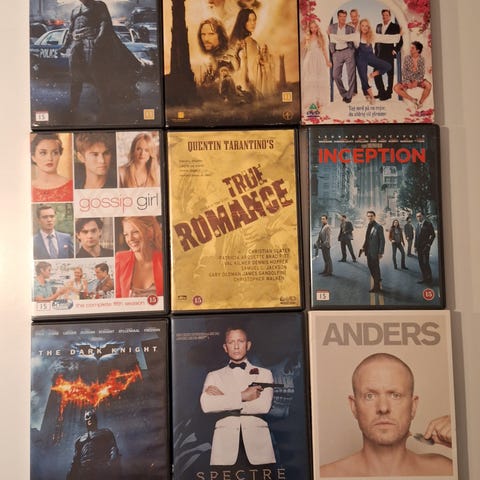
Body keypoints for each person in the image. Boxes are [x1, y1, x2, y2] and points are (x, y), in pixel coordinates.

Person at [319, 353, 453, 477]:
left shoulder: (446, 471)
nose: (383, 408)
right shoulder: (323, 476)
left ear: (413, 406)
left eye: (395, 395)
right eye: (369, 396)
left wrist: (462, 443)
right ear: (354, 407)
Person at [200, 327, 276, 466]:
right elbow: (207, 405)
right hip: (224, 449)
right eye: (231, 342)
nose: (236, 346)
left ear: (248, 345)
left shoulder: (264, 374)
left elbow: (263, 406)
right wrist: (243, 396)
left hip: (259, 447)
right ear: (225, 347)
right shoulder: (213, 376)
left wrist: (224, 399)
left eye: (240, 341)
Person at [61, 0, 139, 119]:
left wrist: (99, 39)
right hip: (76, 45)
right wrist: (65, 45)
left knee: (98, 77)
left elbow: (105, 23)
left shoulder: (99, 5)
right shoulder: (75, 10)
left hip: (91, 43)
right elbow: (71, 29)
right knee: (75, 78)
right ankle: (73, 107)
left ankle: (105, 109)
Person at [330, 18, 400, 104]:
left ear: (369, 27)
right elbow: (344, 38)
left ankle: (372, 74)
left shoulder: (372, 35)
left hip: (370, 56)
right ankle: (371, 97)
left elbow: (385, 38)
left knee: (388, 66)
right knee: (364, 79)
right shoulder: (356, 35)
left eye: (366, 26)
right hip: (360, 58)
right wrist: (331, 35)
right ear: (360, 26)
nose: (364, 28)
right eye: (363, 26)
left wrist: (398, 36)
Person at [115, 216, 164, 298]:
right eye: (126, 234)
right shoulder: (120, 259)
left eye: (135, 232)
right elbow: (117, 297)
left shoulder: (165, 260)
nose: (130, 239)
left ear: (150, 232)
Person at [67, 409, 121, 480]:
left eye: (91, 416)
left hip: (100, 468)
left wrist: (111, 463)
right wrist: (70, 475)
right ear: (85, 420)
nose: (89, 418)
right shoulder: (79, 440)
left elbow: (113, 448)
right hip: (84, 471)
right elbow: (75, 460)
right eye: (87, 417)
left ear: (95, 419)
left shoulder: (105, 433)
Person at [31, 133, 73, 202]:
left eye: (55, 153)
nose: (50, 158)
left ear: (59, 155)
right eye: (43, 153)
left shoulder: (71, 186)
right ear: (33, 157)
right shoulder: (28, 188)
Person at [229, 8, 262, 97]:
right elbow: (251, 69)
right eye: (249, 20)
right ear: (242, 22)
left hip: (240, 81)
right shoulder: (250, 42)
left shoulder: (235, 41)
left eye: (254, 20)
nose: (253, 23)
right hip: (246, 81)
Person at [301, 20, 331, 113]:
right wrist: (306, 40)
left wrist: (327, 61)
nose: (313, 29)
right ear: (309, 28)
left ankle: (319, 103)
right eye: (311, 27)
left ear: (318, 27)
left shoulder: (321, 37)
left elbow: (324, 49)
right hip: (310, 59)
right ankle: (312, 101)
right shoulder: (307, 37)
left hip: (319, 59)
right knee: (311, 80)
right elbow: (303, 48)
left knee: (319, 79)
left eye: (315, 27)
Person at [374, 9, 403, 100]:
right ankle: (381, 92)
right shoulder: (378, 26)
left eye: (386, 15)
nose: (385, 17)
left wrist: (395, 50)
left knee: (389, 74)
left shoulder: (395, 26)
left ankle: (388, 93)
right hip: (379, 53)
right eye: (383, 15)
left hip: (389, 53)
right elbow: (376, 39)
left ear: (390, 16)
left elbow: (400, 40)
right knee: (376, 73)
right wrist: (375, 51)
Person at [328, 10, 356, 104]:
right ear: (338, 17)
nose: (343, 18)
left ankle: (349, 96)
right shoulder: (332, 27)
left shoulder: (350, 28)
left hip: (348, 51)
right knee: (335, 75)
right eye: (341, 16)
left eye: (344, 16)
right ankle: (344, 94)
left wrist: (352, 51)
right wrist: (333, 52)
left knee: (351, 75)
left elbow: (355, 39)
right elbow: (329, 39)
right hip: (337, 53)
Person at [393, 41, 432, 109]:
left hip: (418, 80)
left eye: (412, 48)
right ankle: (413, 100)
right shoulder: (407, 58)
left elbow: (421, 73)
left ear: (418, 50)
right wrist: (409, 82)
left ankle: (420, 103)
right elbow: (404, 72)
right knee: (396, 88)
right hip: (408, 80)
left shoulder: (421, 59)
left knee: (428, 85)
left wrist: (416, 82)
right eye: (410, 48)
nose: (410, 49)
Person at [360, 211, 384, 293]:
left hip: (375, 252)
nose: (370, 217)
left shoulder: (379, 227)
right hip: (368, 251)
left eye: (371, 216)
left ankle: (376, 287)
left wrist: (380, 252)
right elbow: (367, 239)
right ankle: (378, 280)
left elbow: (382, 240)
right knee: (371, 267)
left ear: (374, 216)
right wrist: (363, 247)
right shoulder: (369, 226)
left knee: (375, 268)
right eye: (368, 216)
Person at [414, 211, 436, 284]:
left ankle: (429, 279)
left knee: (426, 263)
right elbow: (416, 237)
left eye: (420, 216)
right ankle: (424, 278)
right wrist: (415, 246)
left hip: (425, 247)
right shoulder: (417, 225)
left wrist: (428, 244)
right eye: (417, 216)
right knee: (421, 263)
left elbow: (433, 235)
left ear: (423, 216)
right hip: (419, 248)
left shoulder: (428, 224)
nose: (418, 218)